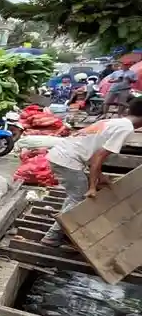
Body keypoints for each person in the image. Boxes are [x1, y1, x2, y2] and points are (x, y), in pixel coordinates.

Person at [41, 99, 142, 246]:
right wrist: (92, 187)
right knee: (79, 199)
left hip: (62, 154)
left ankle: (63, 231)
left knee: (75, 196)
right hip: (68, 160)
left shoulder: (114, 122)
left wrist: (100, 176)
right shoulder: (125, 129)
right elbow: (97, 158)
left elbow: (93, 152)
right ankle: (53, 236)